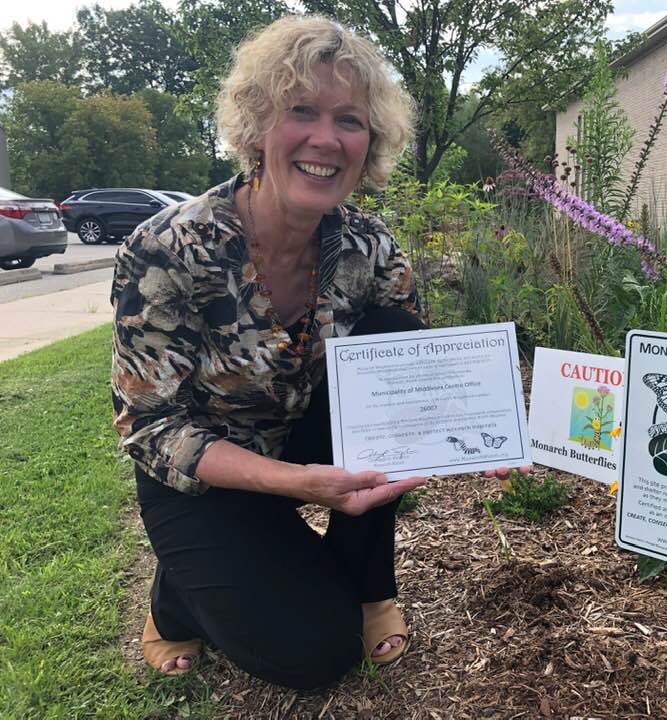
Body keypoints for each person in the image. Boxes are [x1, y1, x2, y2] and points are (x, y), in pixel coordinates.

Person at [111, 15, 518, 690]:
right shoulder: (168, 249)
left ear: (371, 140)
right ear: (257, 126)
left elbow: (412, 383)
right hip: (205, 472)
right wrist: (298, 485)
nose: (326, 139)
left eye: (350, 120)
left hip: (302, 437)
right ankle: (179, 592)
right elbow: (151, 427)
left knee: (392, 340)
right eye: (301, 111)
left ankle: (368, 588)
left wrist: (473, 436)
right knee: (315, 654)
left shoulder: (370, 246)